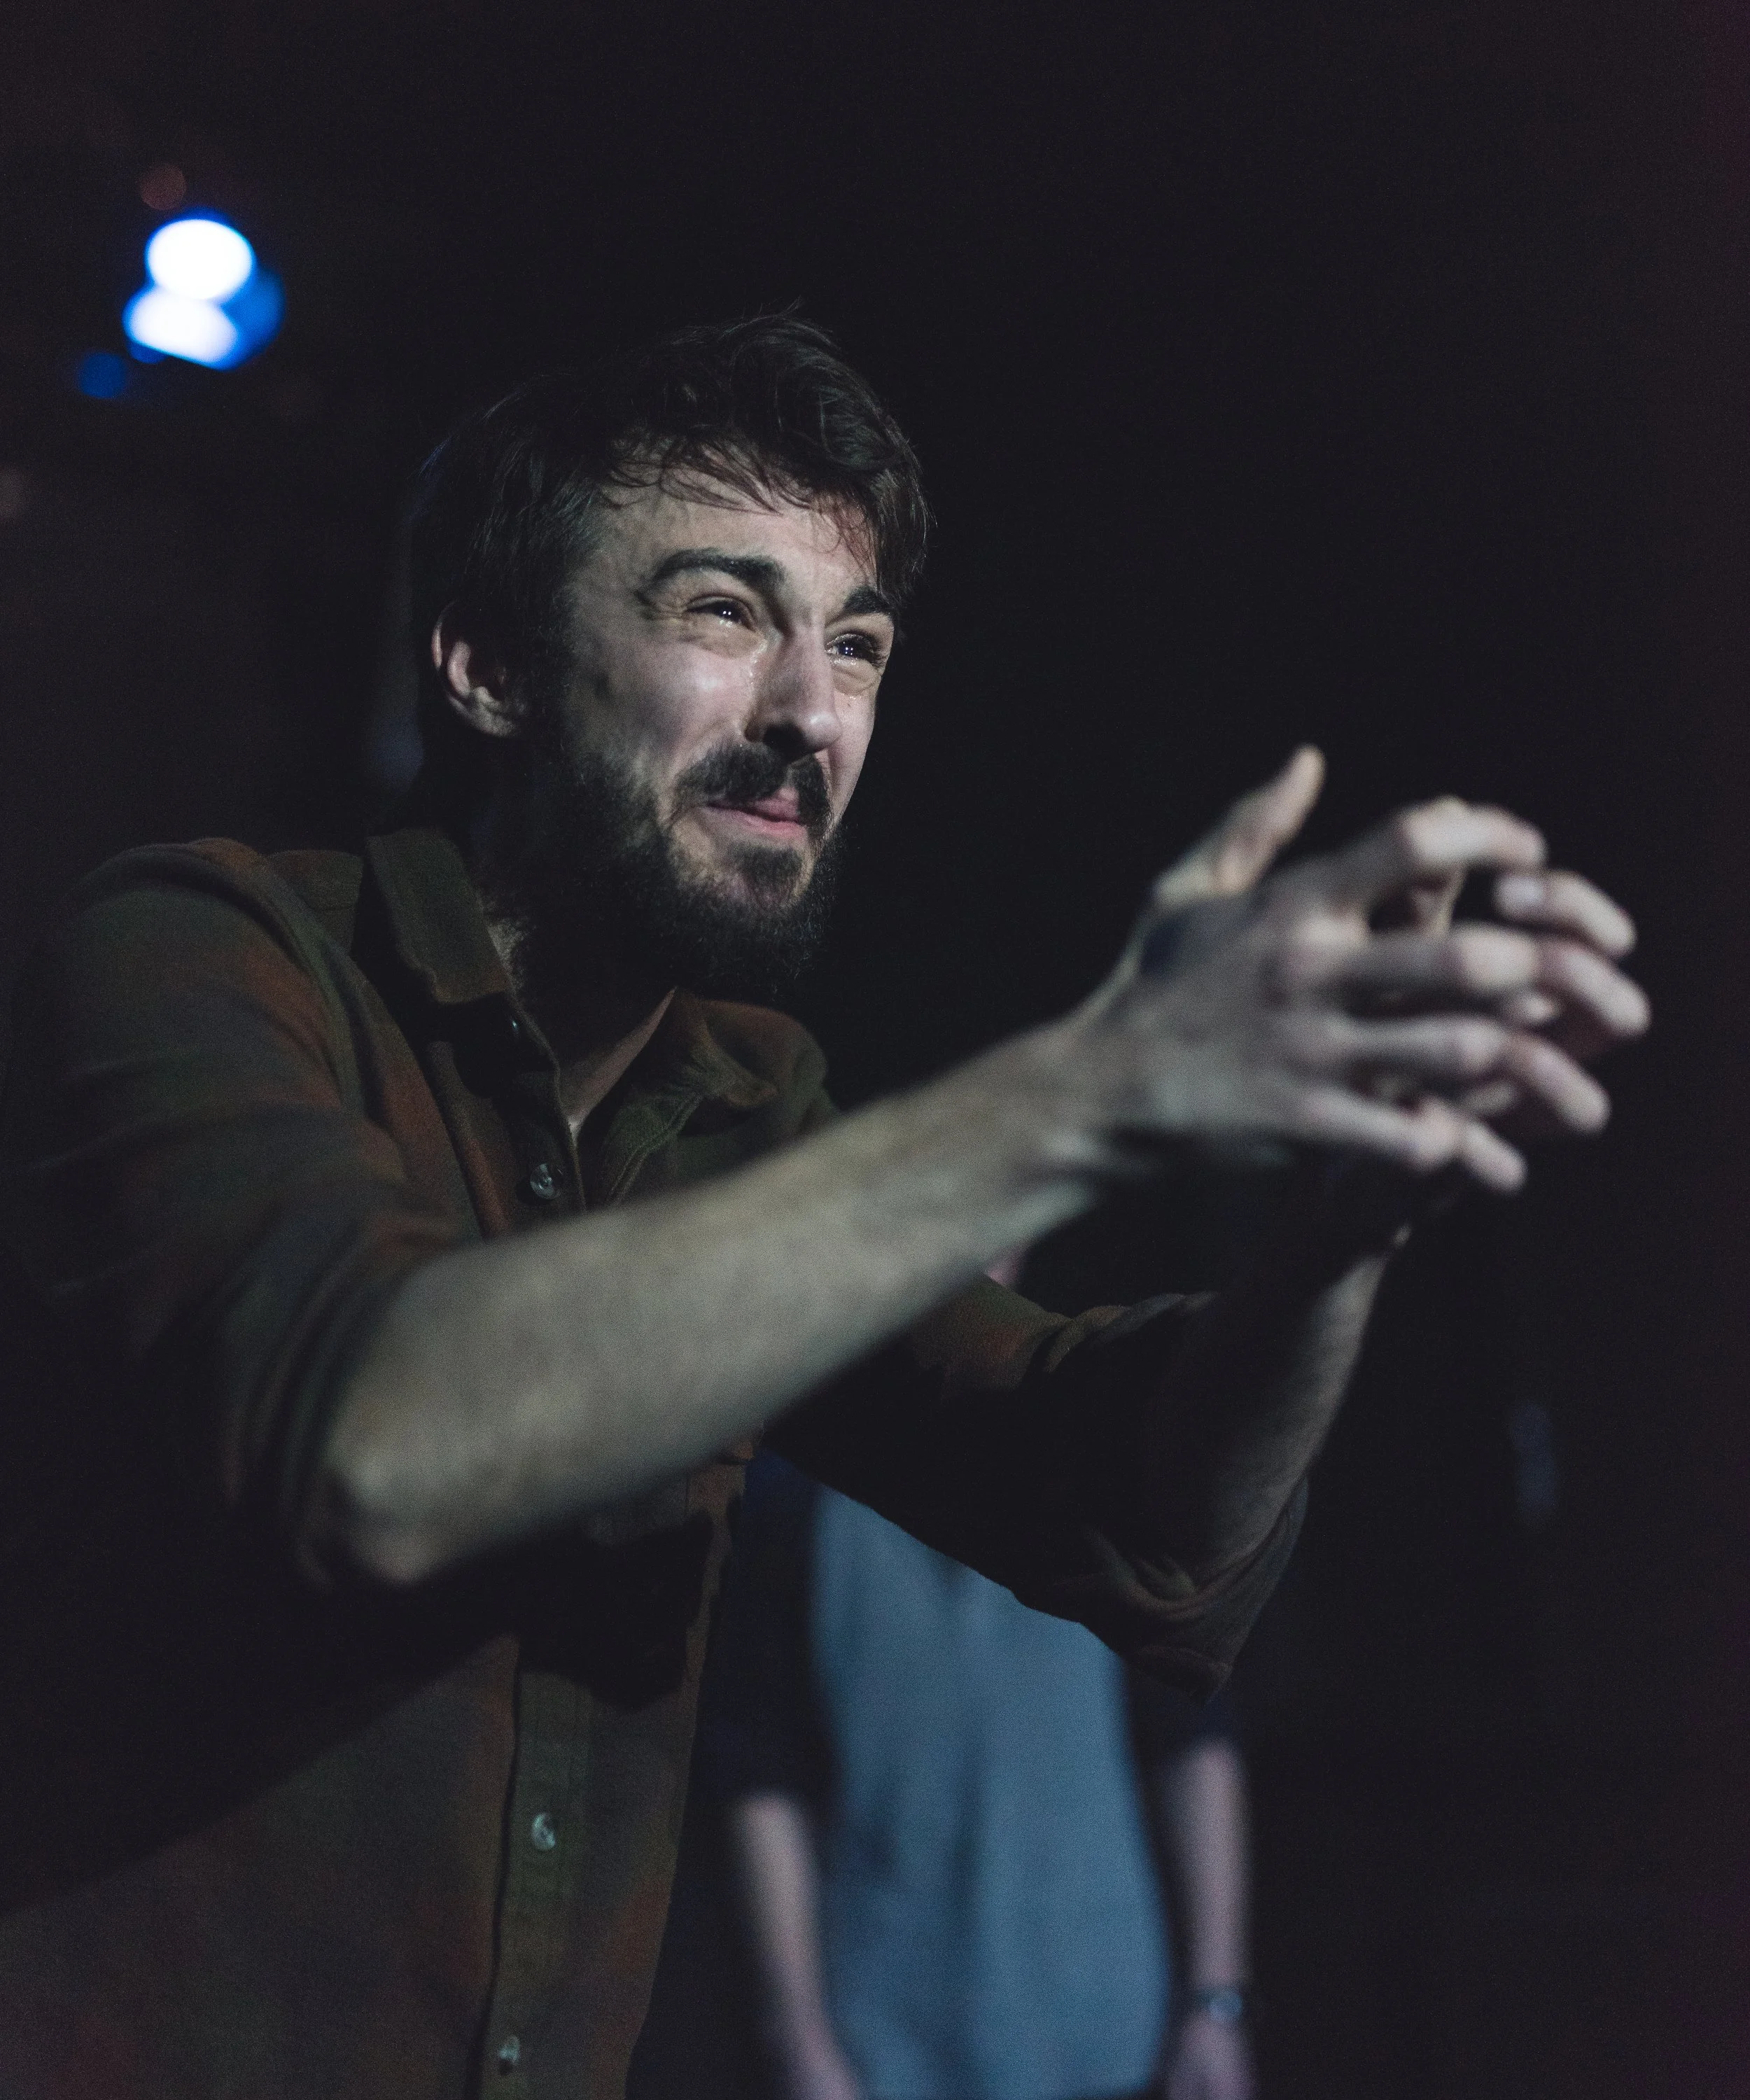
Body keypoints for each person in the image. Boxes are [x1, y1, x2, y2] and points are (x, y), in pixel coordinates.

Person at [0, 316, 1646, 2100]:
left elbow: (1144, 1509)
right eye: (724, 612)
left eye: (855, 645)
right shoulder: (195, 952)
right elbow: (369, 1442)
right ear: (485, 666)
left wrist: (1339, 1232)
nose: (811, 714)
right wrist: (1095, 1086)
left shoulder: (742, 1099)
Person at [709, 1449, 1256, 2100]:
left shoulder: (1121, 1504)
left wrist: (1214, 2005)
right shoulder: (795, 1513)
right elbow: (765, 1788)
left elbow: (1192, 1747)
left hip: (1104, 2027)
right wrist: (801, 2043)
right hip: (882, 2041)